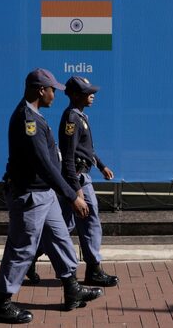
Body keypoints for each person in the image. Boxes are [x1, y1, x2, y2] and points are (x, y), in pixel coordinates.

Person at [0, 68, 103, 324]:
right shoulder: (27, 119)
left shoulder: (35, 116)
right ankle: (2, 303)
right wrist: (72, 194)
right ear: (41, 90)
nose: (55, 94)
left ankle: (72, 288)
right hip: (29, 195)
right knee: (21, 248)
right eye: (52, 89)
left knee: (60, 238)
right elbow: (43, 164)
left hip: (45, 193)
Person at [58, 75, 119, 286]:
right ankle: (93, 270)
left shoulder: (80, 116)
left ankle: (32, 257)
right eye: (87, 93)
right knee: (87, 222)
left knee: (66, 225)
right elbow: (68, 156)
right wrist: (77, 190)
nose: (92, 96)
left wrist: (101, 166)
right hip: (77, 178)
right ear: (75, 95)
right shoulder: (72, 119)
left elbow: (87, 150)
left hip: (80, 175)